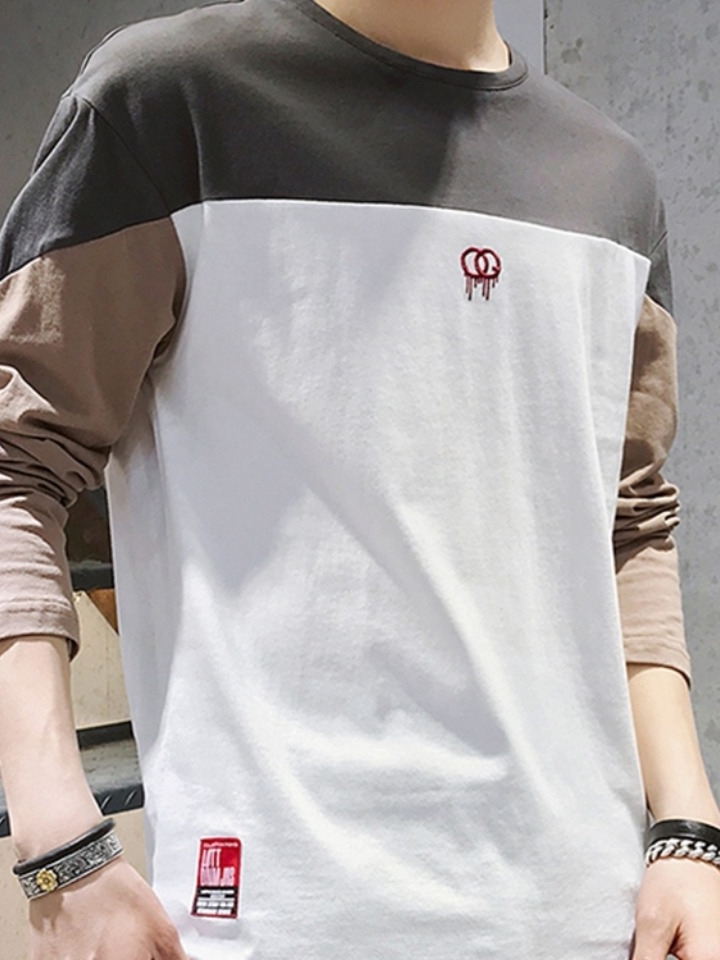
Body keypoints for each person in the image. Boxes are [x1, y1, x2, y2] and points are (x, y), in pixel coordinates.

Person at [0, 0, 719, 957]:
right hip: (278, 913)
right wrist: (59, 842)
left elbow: (629, 522)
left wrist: (688, 830)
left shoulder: (610, 180)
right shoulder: (169, 106)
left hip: (588, 910)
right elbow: (17, 463)